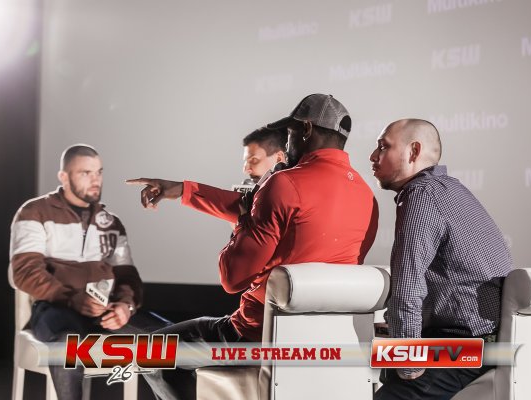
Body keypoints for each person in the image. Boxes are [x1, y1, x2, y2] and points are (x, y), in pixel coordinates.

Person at [127, 93, 379, 399]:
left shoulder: (284, 183)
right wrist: (184, 190)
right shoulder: (366, 197)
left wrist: (242, 224)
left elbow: (233, 278)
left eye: (290, 133)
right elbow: (272, 212)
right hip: (323, 339)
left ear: (306, 130)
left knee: (152, 352)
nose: (287, 142)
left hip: (255, 336)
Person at [369, 119, 513, 400]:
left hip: (466, 347)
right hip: (486, 340)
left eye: (383, 147)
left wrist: (408, 360)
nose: (373, 156)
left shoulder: (421, 195)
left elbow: (408, 286)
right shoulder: (450, 189)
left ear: (413, 151)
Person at [9, 144, 166, 400]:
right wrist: (72, 299)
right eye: (85, 173)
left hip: (105, 310)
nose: (95, 180)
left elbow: (128, 276)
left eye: (99, 172)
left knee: (171, 340)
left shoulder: (111, 222)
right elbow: (25, 271)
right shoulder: (34, 212)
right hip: (55, 308)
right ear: (64, 177)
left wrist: (125, 305)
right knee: (67, 347)